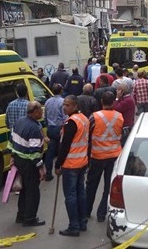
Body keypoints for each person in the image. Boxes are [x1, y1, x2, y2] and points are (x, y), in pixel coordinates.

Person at [85, 91, 123, 222]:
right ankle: (102, 213)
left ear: (101, 101)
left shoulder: (94, 117)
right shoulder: (119, 117)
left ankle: (86, 210)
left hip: (97, 156)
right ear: (113, 102)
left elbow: (87, 134)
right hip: (114, 155)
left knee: (91, 185)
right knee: (108, 187)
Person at [55, 95, 90, 237]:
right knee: (80, 193)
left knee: (70, 196)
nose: (64, 107)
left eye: (67, 105)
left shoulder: (71, 122)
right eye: (64, 104)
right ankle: (82, 222)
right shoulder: (84, 119)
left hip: (70, 164)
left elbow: (65, 146)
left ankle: (74, 226)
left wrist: (58, 164)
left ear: (75, 106)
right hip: (82, 162)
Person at [9, 101, 46, 226]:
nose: (42, 112)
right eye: (40, 110)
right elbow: (34, 152)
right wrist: (41, 168)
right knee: (33, 191)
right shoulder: (34, 128)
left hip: (19, 160)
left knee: (24, 190)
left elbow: (11, 142)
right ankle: (30, 218)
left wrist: (12, 157)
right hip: (29, 163)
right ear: (35, 112)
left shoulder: (19, 122)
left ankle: (21, 215)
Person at [44, 84, 65, 181]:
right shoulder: (62, 102)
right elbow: (65, 117)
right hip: (59, 127)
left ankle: (48, 172)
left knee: (50, 152)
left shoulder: (47, 101)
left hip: (51, 128)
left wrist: (47, 126)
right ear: (61, 91)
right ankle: (61, 169)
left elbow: (45, 116)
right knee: (61, 150)